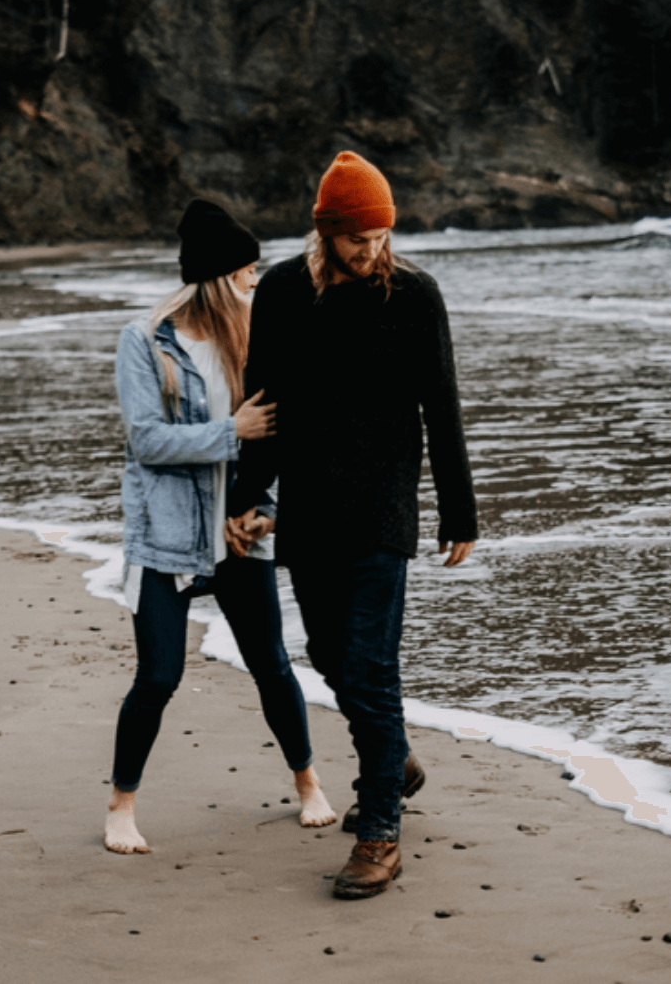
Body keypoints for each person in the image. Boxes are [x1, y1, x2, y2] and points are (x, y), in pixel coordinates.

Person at [227, 151, 478, 898]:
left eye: (380, 237)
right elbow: (262, 399)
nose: (370, 251)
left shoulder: (414, 295)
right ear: (326, 232)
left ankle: (380, 833)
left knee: (369, 666)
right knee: (330, 656)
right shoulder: (281, 291)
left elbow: (443, 405)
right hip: (309, 505)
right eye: (356, 239)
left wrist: (459, 512)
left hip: (382, 508)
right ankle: (392, 758)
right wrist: (249, 494)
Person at [105, 198, 336, 855]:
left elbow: (284, 443)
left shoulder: (256, 340)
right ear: (221, 277)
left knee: (272, 665)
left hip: (238, 534)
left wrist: (266, 512)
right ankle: (121, 806)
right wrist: (231, 432)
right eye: (249, 272)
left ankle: (309, 785)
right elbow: (147, 440)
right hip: (167, 536)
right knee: (158, 678)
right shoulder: (146, 340)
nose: (258, 281)